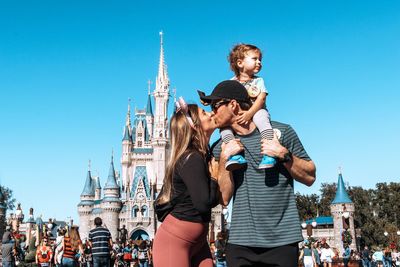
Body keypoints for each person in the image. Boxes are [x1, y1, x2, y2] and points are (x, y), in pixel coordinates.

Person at [198, 80, 316, 266]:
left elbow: (310, 177)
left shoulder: (281, 132)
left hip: (282, 242)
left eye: (216, 105)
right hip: (240, 244)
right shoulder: (220, 146)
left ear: (233, 105)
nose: (212, 111)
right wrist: (223, 160)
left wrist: (283, 154)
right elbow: (225, 199)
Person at [152, 98, 240, 267]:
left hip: (198, 242)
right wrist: (215, 176)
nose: (211, 114)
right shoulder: (191, 158)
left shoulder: (202, 155)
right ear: (195, 125)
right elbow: (203, 204)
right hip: (174, 242)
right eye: (204, 113)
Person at [201, 44, 275, 171]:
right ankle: (235, 155)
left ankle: (269, 151)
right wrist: (211, 102)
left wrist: (250, 113)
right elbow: (224, 99)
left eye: (260, 60)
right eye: (254, 59)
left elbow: (261, 99)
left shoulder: (259, 81)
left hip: (256, 111)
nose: (259, 62)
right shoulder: (232, 82)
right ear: (240, 63)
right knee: (224, 128)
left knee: (262, 119)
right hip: (240, 117)